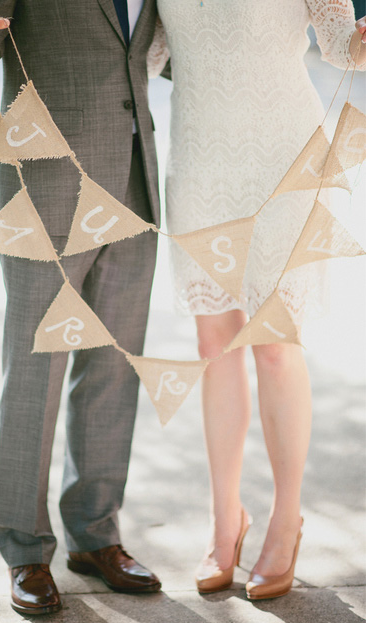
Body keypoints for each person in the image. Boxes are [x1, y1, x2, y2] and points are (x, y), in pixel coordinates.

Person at [0, 0, 163, 615]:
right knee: (36, 368)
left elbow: (170, 54)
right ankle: (25, 549)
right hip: (44, 186)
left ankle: (95, 536)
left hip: (137, 181)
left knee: (113, 369)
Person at [152, 0, 366, 601]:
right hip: (198, 159)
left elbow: (340, 45)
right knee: (213, 344)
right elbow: (143, 55)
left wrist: (362, 43)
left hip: (283, 157)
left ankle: (286, 517)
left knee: (273, 345)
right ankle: (226, 517)